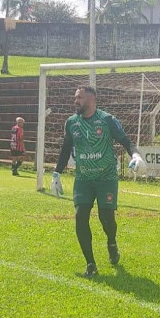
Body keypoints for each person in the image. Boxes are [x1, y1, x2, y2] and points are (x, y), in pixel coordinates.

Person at [51, 85, 145, 278]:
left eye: (80, 98)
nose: (76, 101)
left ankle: (111, 242)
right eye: (75, 97)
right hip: (84, 179)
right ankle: (91, 264)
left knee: (106, 218)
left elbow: (125, 141)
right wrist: (56, 174)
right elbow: (66, 148)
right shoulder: (71, 123)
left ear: (92, 99)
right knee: (80, 216)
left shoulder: (107, 120)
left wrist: (135, 155)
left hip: (106, 178)